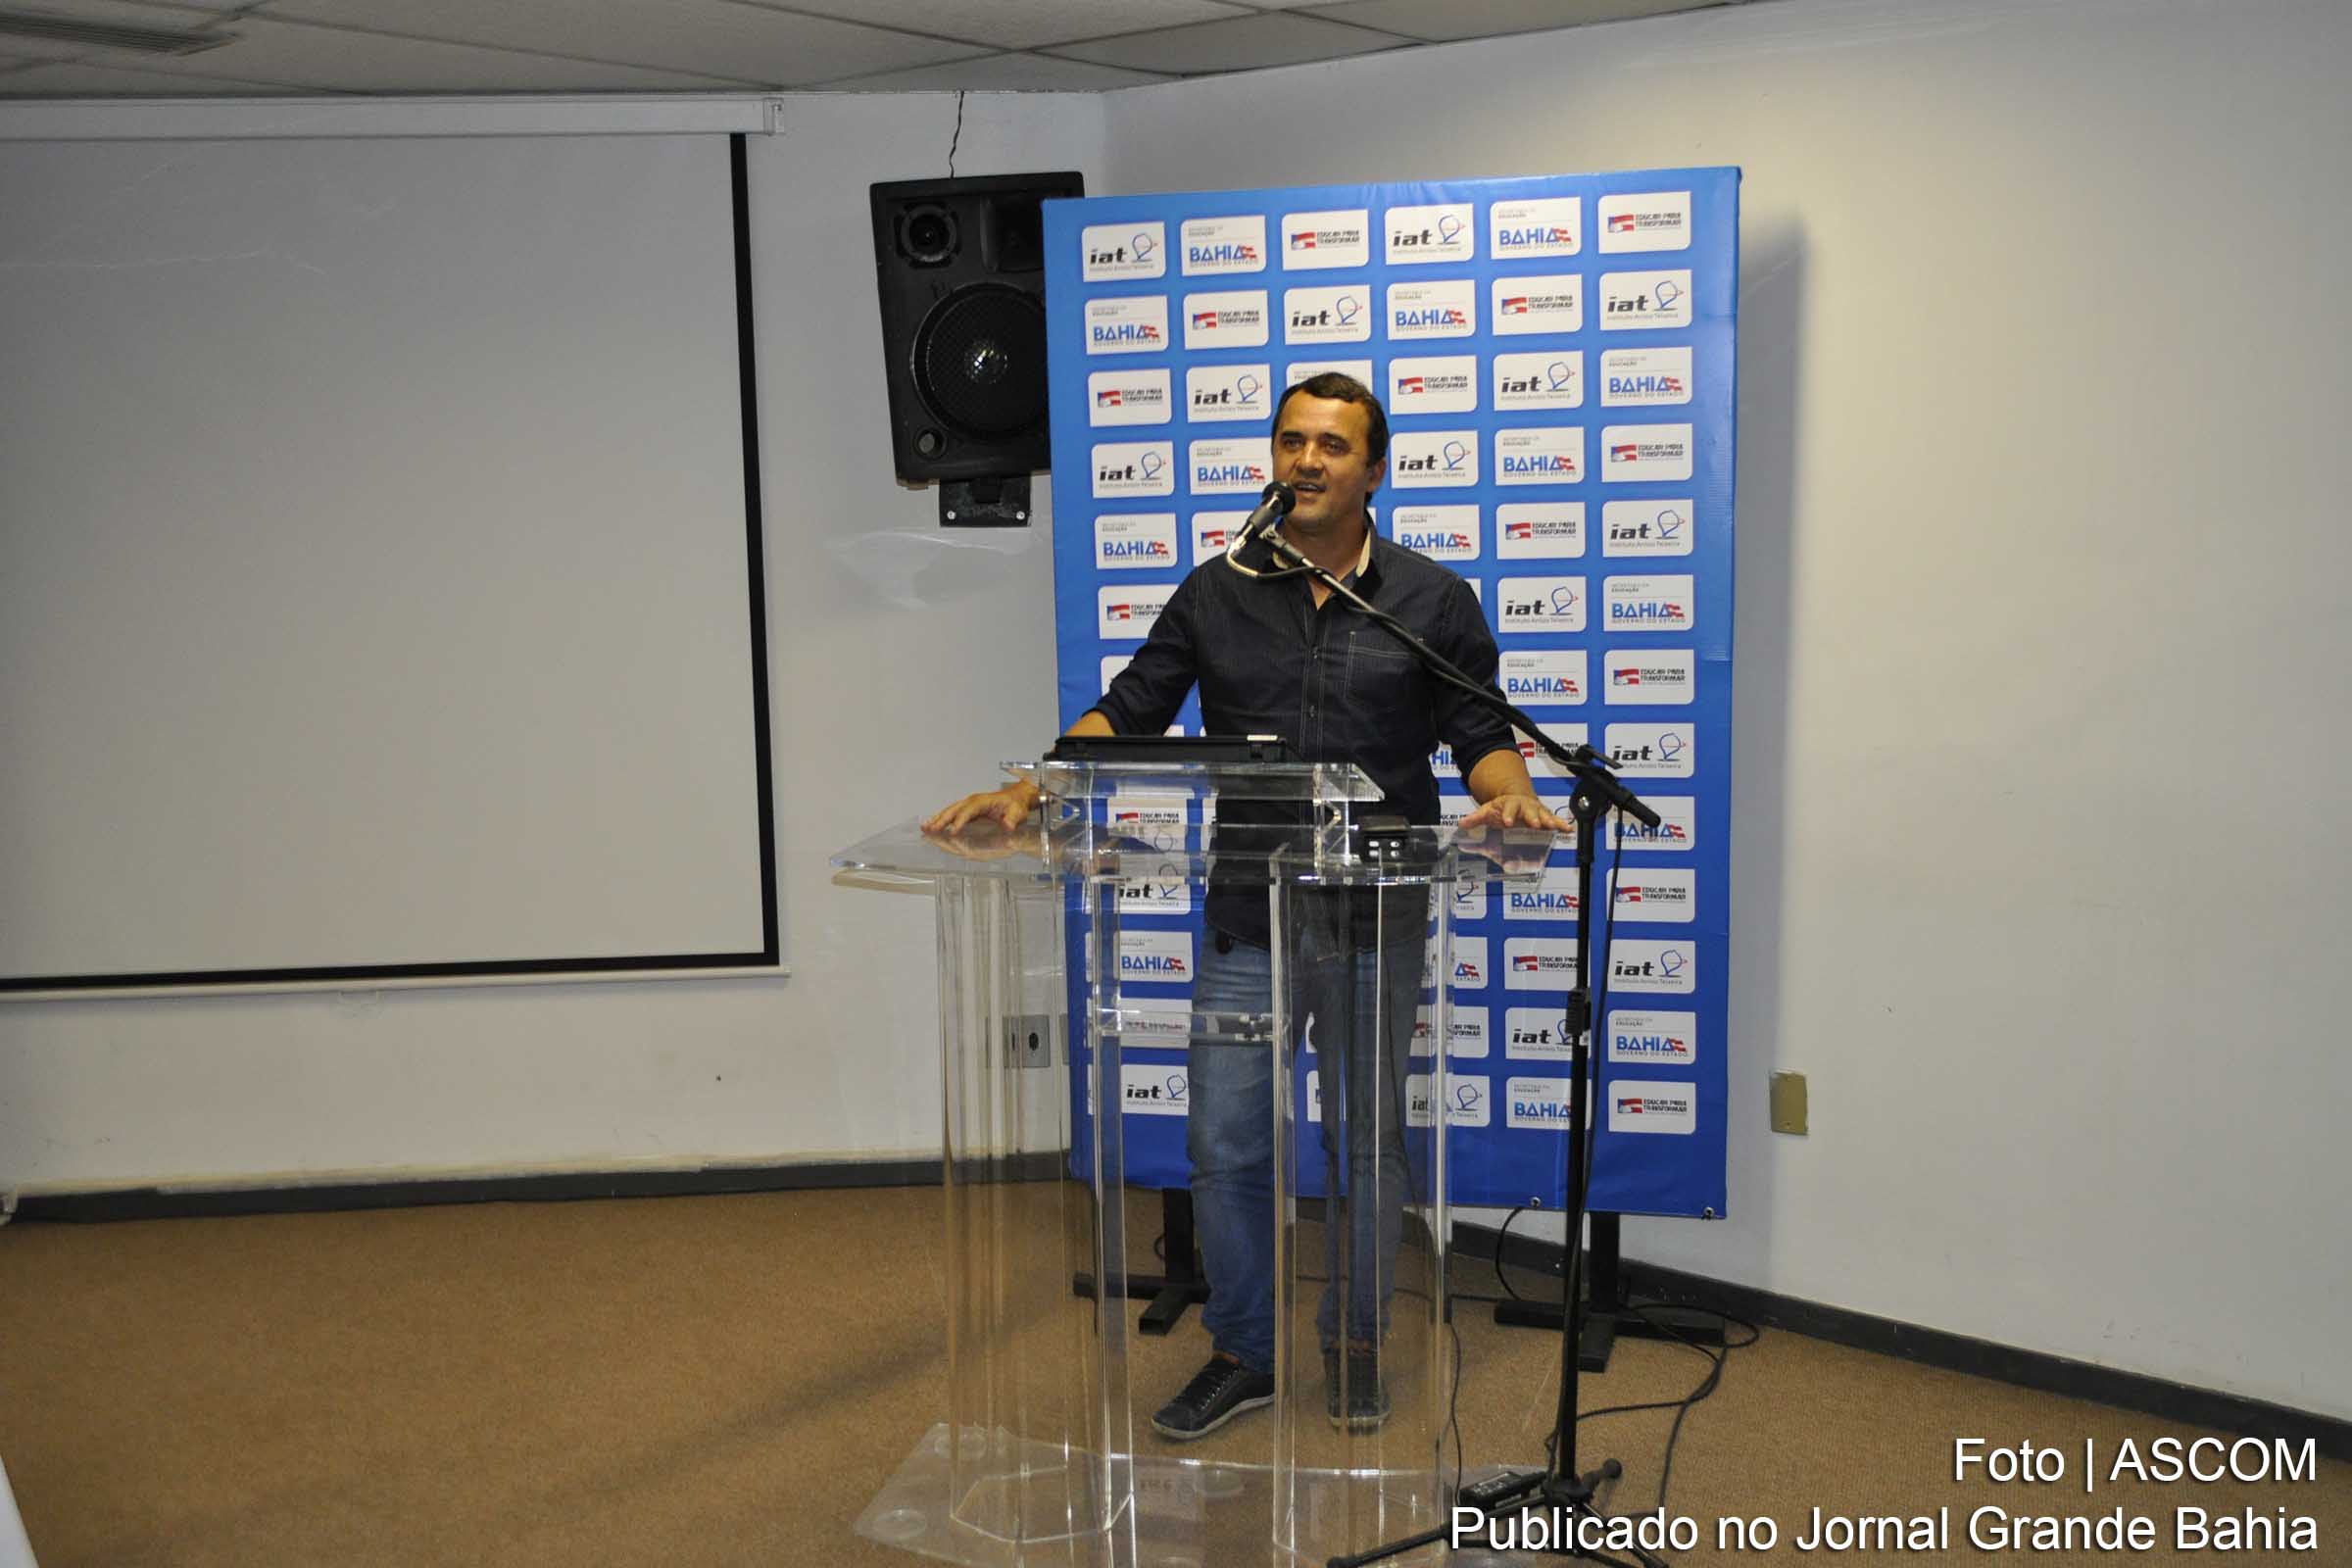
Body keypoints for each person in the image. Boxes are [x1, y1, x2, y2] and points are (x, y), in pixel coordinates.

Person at [926, 373, 1567, 1439]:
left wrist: (1510, 798)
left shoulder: (1429, 599)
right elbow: (1129, 709)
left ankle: (1356, 1345)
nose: (1306, 460)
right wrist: (1033, 787)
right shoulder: (1217, 589)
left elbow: (1479, 734)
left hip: (1375, 917)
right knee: (1225, 1145)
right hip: (1247, 915)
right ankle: (1244, 1352)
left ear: (1374, 470)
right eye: (1290, 441)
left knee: (1367, 1147)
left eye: (1331, 445)